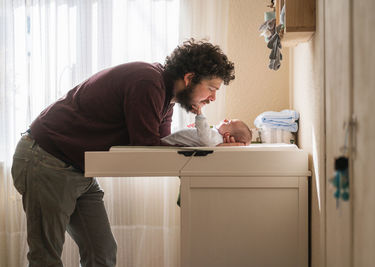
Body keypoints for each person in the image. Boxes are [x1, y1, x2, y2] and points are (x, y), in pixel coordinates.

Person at [11, 39, 235, 267]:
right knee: (45, 258)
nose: (213, 98)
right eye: (212, 88)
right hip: (47, 159)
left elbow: (161, 146)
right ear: (189, 78)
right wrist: (208, 146)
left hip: (77, 168)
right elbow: (147, 147)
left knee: (102, 253)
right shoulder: (148, 82)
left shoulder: (165, 96)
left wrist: (215, 144)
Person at [162, 106, 252, 147]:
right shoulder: (215, 135)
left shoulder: (216, 138)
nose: (225, 119)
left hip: (167, 143)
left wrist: (200, 114)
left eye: (228, 122)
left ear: (227, 134)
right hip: (169, 140)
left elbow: (205, 138)